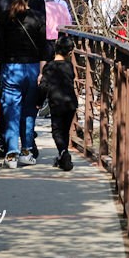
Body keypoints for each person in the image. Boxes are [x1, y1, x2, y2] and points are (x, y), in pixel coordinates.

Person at [0, 0, 46, 168]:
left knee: (11, 109)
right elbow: (44, 48)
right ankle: (27, 150)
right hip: (31, 68)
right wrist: (42, 72)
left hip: (10, 68)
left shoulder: (7, 17)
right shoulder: (38, 18)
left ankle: (11, 152)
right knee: (29, 111)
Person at [38, 35, 78, 172]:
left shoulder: (49, 67)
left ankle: (63, 153)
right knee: (65, 130)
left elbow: (44, 86)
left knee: (57, 130)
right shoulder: (69, 66)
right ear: (69, 52)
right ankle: (63, 155)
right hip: (71, 102)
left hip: (56, 102)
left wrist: (38, 102)